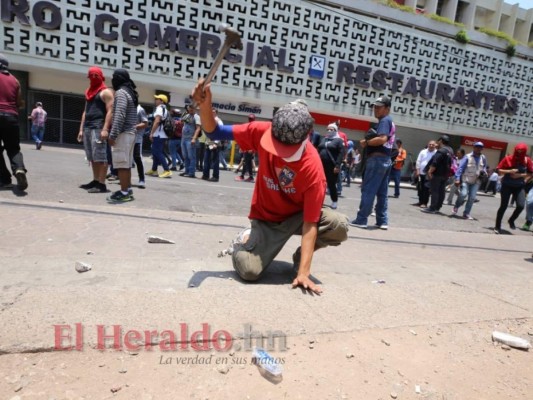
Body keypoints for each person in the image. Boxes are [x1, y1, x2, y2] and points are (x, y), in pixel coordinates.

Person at [191, 80, 348, 294]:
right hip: (266, 219)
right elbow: (215, 132)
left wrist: (303, 272)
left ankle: (300, 259)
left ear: (306, 137)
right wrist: (205, 105)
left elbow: (310, 224)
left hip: (296, 218)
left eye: (286, 149)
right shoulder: (261, 130)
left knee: (338, 225)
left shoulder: (313, 169)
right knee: (249, 272)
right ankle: (244, 239)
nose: (278, 152)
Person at [350, 95, 395, 230]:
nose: (375, 109)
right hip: (385, 160)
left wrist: (366, 142)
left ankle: (362, 219)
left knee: (369, 190)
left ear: (387, 108)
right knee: (382, 193)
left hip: (377, 159)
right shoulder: (389, 121)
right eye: (375, 107)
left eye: (379, 107)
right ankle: (382, 221)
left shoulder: (384, 120)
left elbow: (382, 139)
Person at [78, 66, 114, 193]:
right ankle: (95, 180)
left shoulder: (106, 92)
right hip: (88, 127)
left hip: (99, 127)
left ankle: (102, 184)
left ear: (101, 77)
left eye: (96, 76)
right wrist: (81, 129)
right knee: (92, 157)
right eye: (91, 76)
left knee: (101, 156)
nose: (93, 78)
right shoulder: (88, 92)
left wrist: (105, 129)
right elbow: (85, 111)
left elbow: (110, 111)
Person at [107, 69, 138, 202]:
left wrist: (113, 135)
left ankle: (124, 192)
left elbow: (119, 114)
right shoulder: (129, 92)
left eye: (114, 77)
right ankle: (128, 189)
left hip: (123, 133)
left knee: (121, 164)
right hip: (130, 133)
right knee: (126, 163)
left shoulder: (121, 93)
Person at [0, 53, 28, 191]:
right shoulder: (15, 80)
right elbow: (19, 102)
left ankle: (4, 180)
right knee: (13, 148)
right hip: (11, 116)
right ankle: (19, 169)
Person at [494, 143, 533, 234]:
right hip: (507, 185)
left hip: (519, 186)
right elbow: (498, 169)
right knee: (503, 206)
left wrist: (520, 175)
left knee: (520, 206)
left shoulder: (527, 160)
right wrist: (509, 171)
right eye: (518, 151)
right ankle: (497, 226)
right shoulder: (508, 158)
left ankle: (511, 220)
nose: (519, 153)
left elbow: (531, 173)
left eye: (521, 152)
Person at [451, 142, 487, 220]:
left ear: (482, 149)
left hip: (476, 180)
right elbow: (460, 168)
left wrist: (484, 172)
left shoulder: (483, 157)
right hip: (466, 179)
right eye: (476, 147)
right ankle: (456, 206)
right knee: (463, 194)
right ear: (473, 147)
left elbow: (484, 167)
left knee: (472, 197)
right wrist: (457, 179)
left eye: (480, 147)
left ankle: (466, 213)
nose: (478, 149)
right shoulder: (467, 156)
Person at [421, 135, 454, 214]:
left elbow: (435, 162)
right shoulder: (450, 150)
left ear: (441, 141)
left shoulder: (441, 151)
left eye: (438, 141)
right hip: (445, 174)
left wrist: (429, 172)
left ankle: (432, 208)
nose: (437, 143)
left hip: (437, 174)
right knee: (441, 191)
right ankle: (438, 207)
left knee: (434, 191)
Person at [318, 123, 344, 209]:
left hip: (332, 166)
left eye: (331, 129)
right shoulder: (324, 139)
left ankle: (334, 200)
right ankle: (319, 200)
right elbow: (318, 150)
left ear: (336, 131)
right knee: (320, 183)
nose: (329, 131)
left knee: (331, 184)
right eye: (328, 129)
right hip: (321, 165)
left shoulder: (339, 140)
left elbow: (341, 154)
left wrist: (337, 166)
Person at [146, 94, 172, 178]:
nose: (155, 100)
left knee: (157, 152)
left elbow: (157, 121)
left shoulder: (159, 109)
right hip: (162, 134)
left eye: (157, 99)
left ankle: (167, 170)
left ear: (162, 101)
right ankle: (154, 170)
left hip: (158, 134)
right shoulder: (165, 109)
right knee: (155, 152)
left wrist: (152, 133)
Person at [202, 108, 223, 182]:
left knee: (215, 161)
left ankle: (215, 177)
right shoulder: (209, 120)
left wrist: (216, 143)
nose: (212, 113)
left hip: (215, 143)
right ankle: (205, 175)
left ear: (216, 113)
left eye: (213, 112)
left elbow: (220, 132)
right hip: (209, 142)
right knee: (206, 160)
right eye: (211, 112)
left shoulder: (218, 121)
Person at [180, 104, 201, 178]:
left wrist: (194, 138)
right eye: (189, 109)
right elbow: (181, 122)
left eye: (192, 109)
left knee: (191, 156)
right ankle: (186, 171)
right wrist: (183, 117)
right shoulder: (187, 115)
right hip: (184, 138)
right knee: (185, 156)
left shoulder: (196, 116)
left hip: (190, 139)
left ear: (194, 109)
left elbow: (198, 128)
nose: (190, 110)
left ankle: (191, 173)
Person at [415, 141, 437, 207]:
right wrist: (417, 170)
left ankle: (424, 203)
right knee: (420, 188)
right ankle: (420, 201)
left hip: (429, 173)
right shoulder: (423, 151)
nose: (431, 145)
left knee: (426, 189)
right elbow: (418, 161)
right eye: (430, 144)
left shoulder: (436, 153)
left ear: (435, 145)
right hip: (421, 172)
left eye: (432, 145)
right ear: (428, 145)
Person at [134, 104, 148, 188]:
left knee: (137, 158)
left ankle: (142, 179)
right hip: (127, 138)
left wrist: (133, 127)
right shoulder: (128, 108)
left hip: (137, 139)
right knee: (126, 160)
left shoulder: (140, 109)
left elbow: (145, 123)